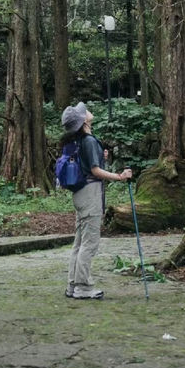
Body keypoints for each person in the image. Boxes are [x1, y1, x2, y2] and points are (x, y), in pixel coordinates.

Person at [60, 101, 132, 300]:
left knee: (80, 242)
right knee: (89, 243)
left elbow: (88, 164)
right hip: (90, 194)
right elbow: (94, 171)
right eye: (85, 112)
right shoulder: (88, 140)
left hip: (80, 194)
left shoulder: (79, 140)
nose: (88, 111)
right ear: (84, 121)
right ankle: (83, 287)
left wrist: (102, 157)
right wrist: (120, 176)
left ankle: (72, 285)